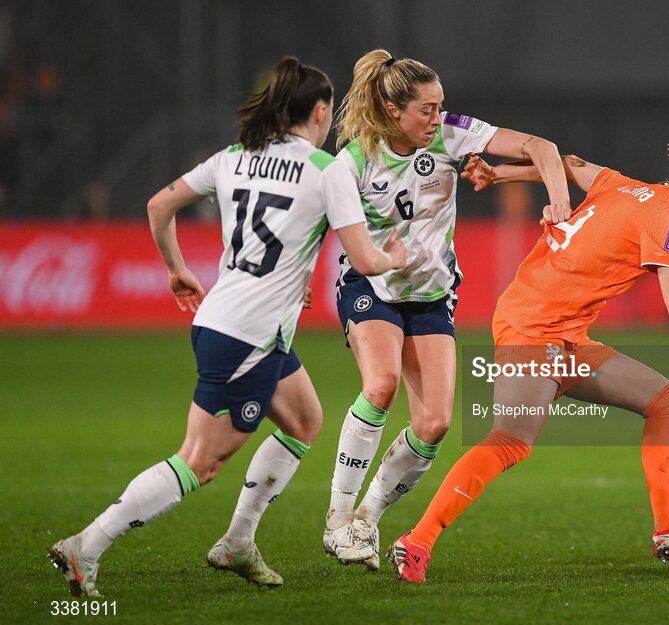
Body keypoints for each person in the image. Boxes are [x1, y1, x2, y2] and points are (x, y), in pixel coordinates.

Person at [47, 56, 407, 597]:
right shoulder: (326, 168)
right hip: (251, 338)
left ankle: (238, 542)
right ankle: (86, 547)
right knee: (199, 461)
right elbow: (362, 258)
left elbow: (158, 205)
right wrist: (394, 255)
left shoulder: (234, 157)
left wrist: (176, 269)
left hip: (230, 319)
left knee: (305, 420)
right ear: (319, 109)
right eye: (329, 110)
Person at [385, 134, 669, 583]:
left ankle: (668, 527)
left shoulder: (622, 185)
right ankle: (417, 541)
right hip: (535, 326)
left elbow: (567, 164)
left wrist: (501, 172)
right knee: (510, 441)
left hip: (561, 332)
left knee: (665, 402)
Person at [322, 49, 572, 570]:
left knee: (434, 423)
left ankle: (366, 519)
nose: (438, 119)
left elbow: (541, 148)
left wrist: (558, 203)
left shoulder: (450, 136)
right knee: (381, 385)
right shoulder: (353, 161)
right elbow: (317, 226)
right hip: (372, 287)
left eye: (441, 107)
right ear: (393, 110)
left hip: (431, 296)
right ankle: (337, 521)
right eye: (427, 110)